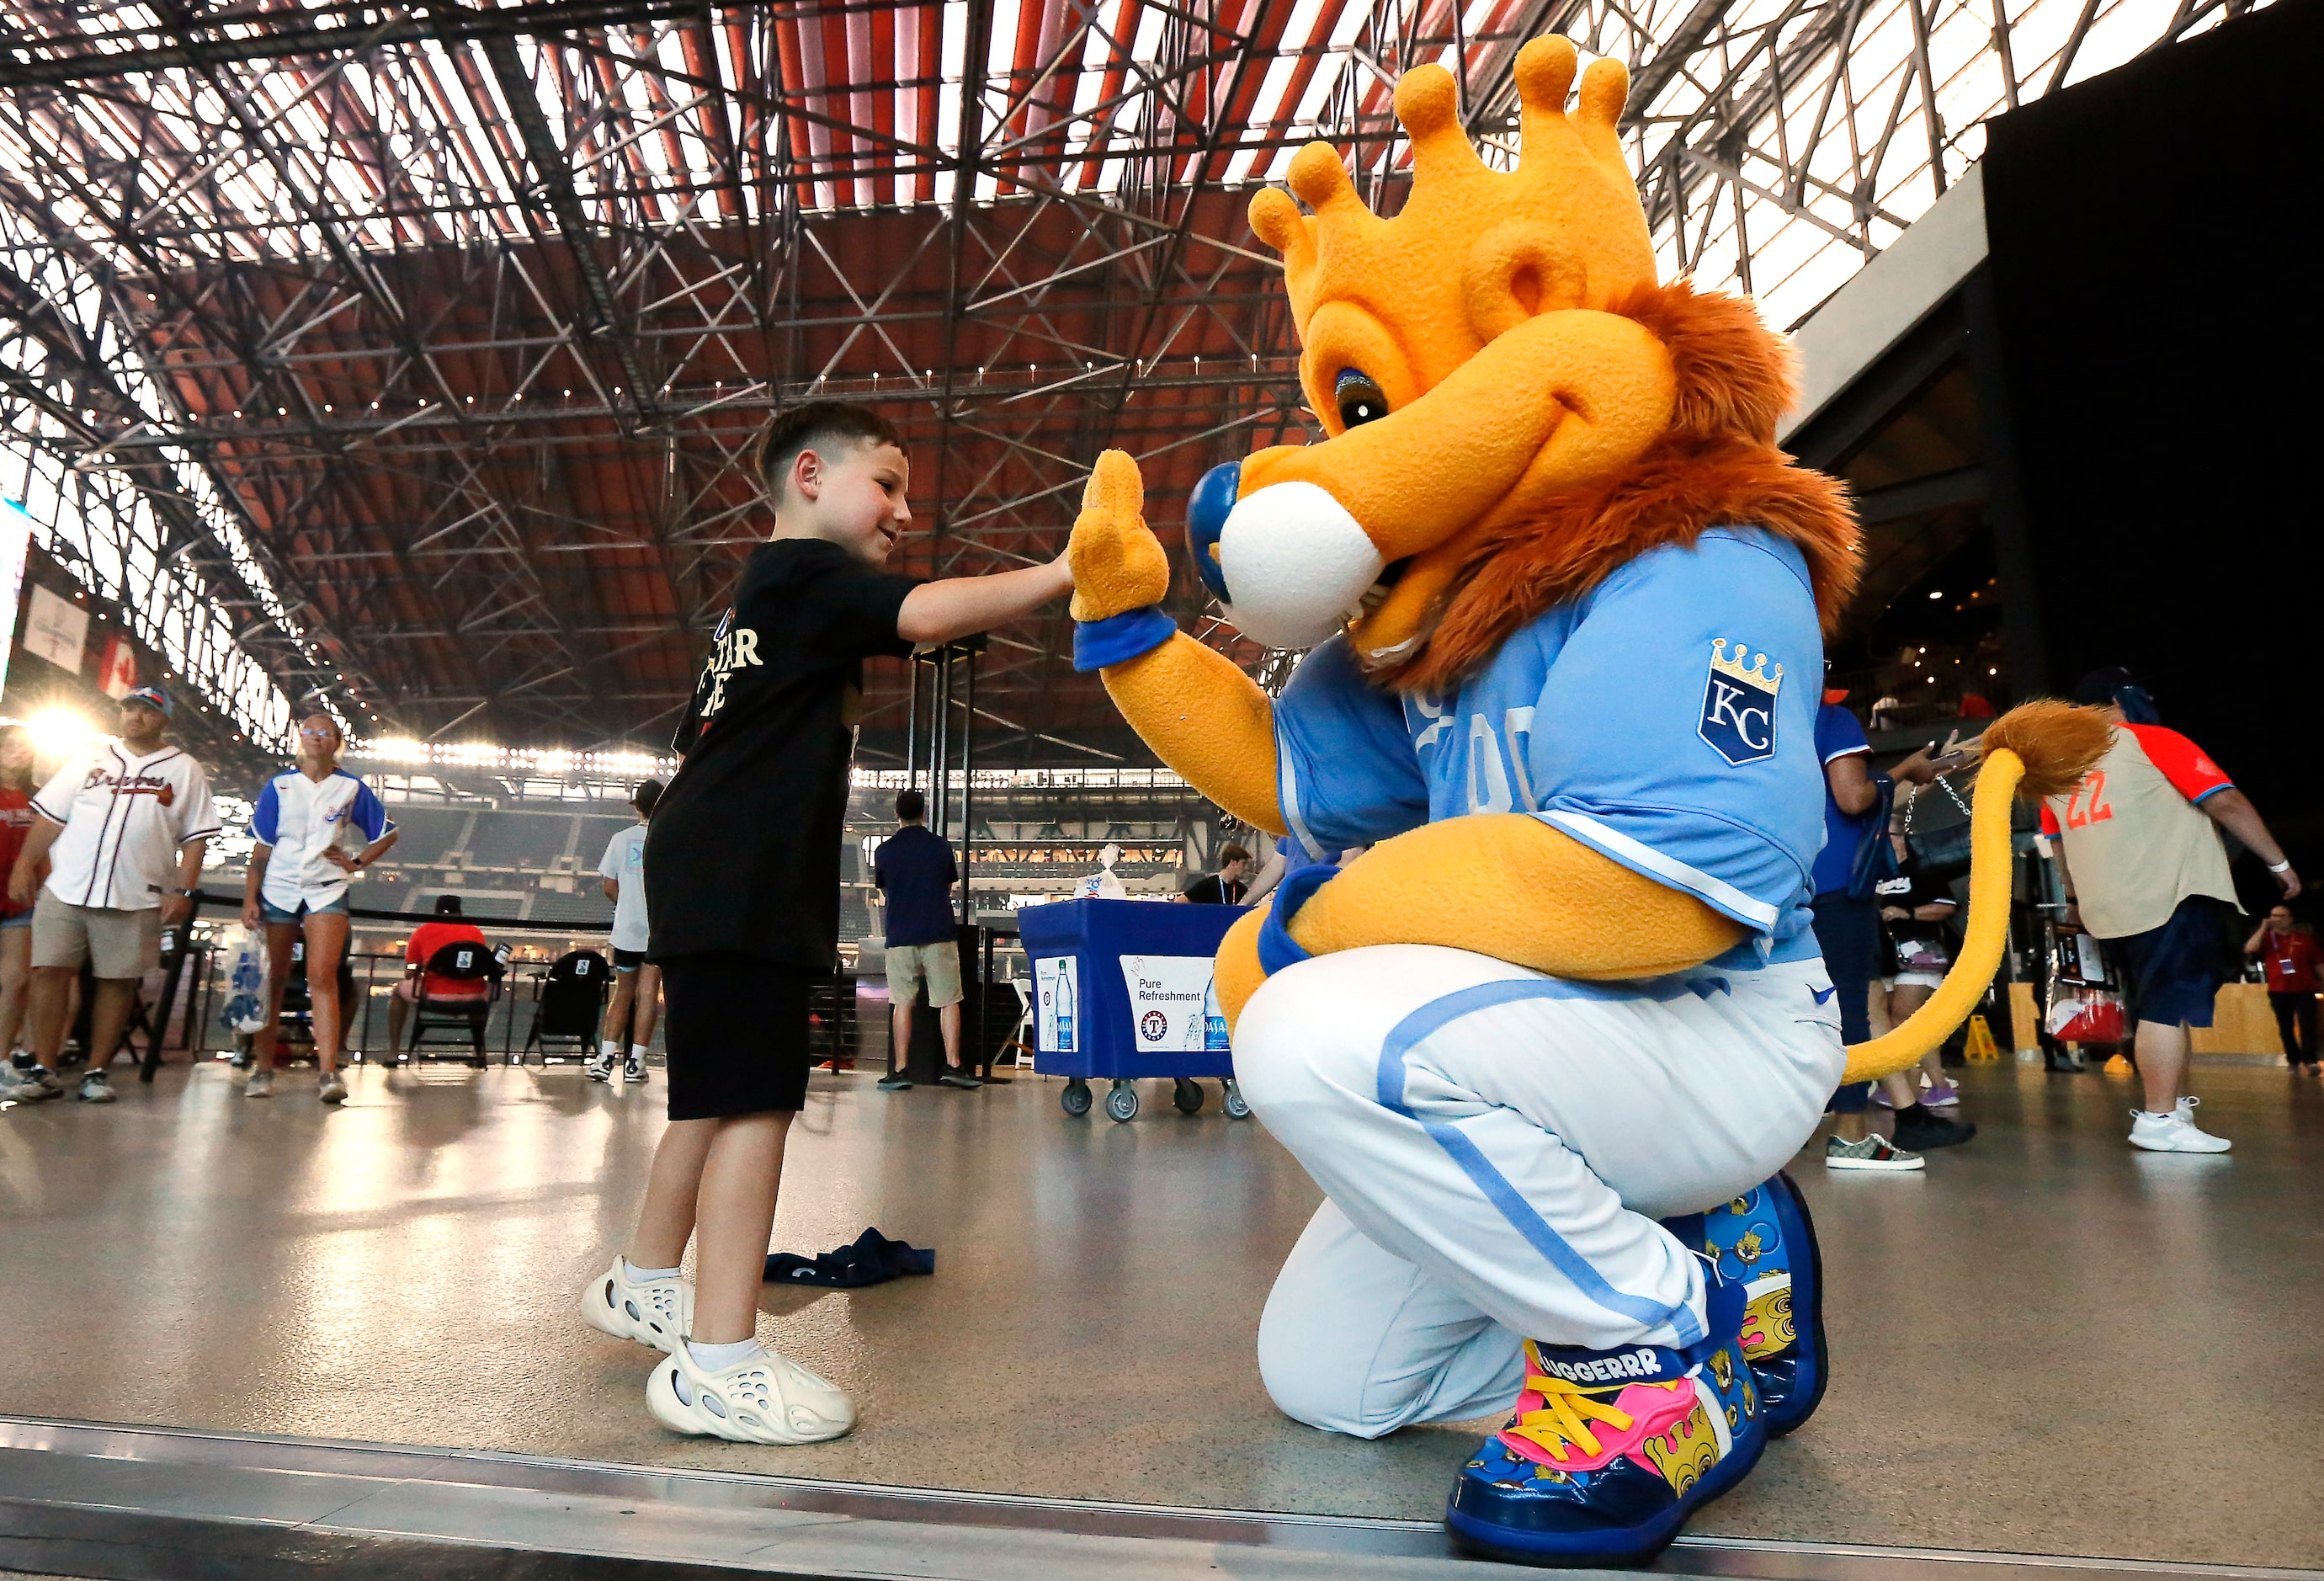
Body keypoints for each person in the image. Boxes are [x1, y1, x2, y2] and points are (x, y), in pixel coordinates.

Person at [579, 399, 1072, 1444]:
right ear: (811, 475)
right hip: (743, 866)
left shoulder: (758, 600)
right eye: (886, 485)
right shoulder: (808, 575)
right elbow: (929, 614)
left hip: (707, 855)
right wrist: (1066, 572)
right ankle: (718, 1363)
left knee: (706, 1100)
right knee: (756, 1102)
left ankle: (643, 1283)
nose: (903, 510)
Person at [2045, 667, 2300, 1152]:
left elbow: (2059, 848)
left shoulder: (2059, 768)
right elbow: (2225, 802)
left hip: (2108, 908)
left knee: (2163, 1005)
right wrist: (2278, 861)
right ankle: (2159, 1120)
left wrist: (2076, 903)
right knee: (2163, 1007)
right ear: (2122, 700)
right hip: (2170, 895)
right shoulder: (2152, 740)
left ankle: (2175, 1108)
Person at [0, 689, 217, 1104]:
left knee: (116, 983)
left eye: (147, 712)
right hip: (68, 886)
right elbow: (50, 816)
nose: (135, 717)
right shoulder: (91, 756)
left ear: (164, 720)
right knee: (48, 972)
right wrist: (25, 863)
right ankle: (44, 1068)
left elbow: (195, 839)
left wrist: (183, 890)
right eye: (130, 708)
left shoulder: (184, 769)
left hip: (135, 892)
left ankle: (96, 1071)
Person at [1810, 695, 1974, 1168]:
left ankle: (1909, 1114)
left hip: (1782, 882)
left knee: (1862, 1004)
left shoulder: (1772, 724)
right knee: (1854, 1011)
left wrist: (1916, 776)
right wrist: (1903, 768)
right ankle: (1850, 1134)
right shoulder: (1832, 719)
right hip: (1840, 882)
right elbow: (1853, 797)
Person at [240, 712, 398, 1102]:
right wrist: (250, 897)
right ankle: (262, 1069)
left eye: (324, 732)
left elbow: (387, 832)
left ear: (336, 741)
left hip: (327, 886)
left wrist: (358, 862)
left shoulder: (351, 788)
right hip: (278, 886)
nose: (316, 737)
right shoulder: (279, 786)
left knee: (323, 977)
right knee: (272, 980)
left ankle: (328, 1071)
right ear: (300, 738)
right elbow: (262, 847)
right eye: (309, 731)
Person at [872, 787, 973, 1093]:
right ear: (923, 813)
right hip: (938, 932)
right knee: (948, 1001)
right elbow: (948, 887)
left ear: (897, 814)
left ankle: (900, 1070)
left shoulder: (884, 851)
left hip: (901, 934)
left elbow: (885, 891)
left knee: (902, 1002)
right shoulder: (940, 847)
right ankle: (954, 1066)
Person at [1871, 837, 1963, 1110]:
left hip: (1920, 954)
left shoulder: (1922, 869)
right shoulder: (1872, 871)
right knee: (1895, 1022)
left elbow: (1947, 906)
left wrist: (1906, 912)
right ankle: (1936, 1086)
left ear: (1900, 841)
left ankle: (1907, 1090)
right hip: (1884, 956)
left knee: (1903, 1018)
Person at [590, 780, 662, 1084]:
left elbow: (609, 886)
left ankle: (605, 1059)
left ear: (637, 806)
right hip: (657, 932)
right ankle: (636, 1063)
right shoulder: (669, 837)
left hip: (626, 933)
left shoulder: (621, 839)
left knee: (622, 993)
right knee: (648, 995)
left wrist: (627, 904)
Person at [384, 894, 492, 1055]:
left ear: (435, 911)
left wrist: (422, 969)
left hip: (435, 997)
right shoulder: (475, 933)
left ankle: (393, 1051)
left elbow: (408, 974)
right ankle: (479, 1051)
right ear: (460, 911)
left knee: (398, 992)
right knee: (476, 987)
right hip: (473, 997)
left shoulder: (422, 932)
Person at [0, 726, 38, 1084]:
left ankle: (1, 1059)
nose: (19, 752)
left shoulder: (36, 797)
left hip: (20, 900)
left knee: (16, 980)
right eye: (11, 746)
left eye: (25, 748)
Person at [2244, 905, 2318, 1075]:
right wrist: (2263, 927)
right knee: (2285, 1027)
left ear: (2290, 918)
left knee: (2308, 1025)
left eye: (2281, 916)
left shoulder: (2304, 939)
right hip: (2279, 990)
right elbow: (2249, 948)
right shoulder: (2268, 939)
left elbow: (2318, 963)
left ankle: (2310, 1060)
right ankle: (2293, 1059)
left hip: (2305, 989)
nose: (2276, 919)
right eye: (2273, 916)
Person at [1181, 844, 1253, 905]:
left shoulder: (1242, 890)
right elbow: (1181, 901)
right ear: (1233, 862)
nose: (1246, 868)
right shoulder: (1207, 885)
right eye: (1243, 863)